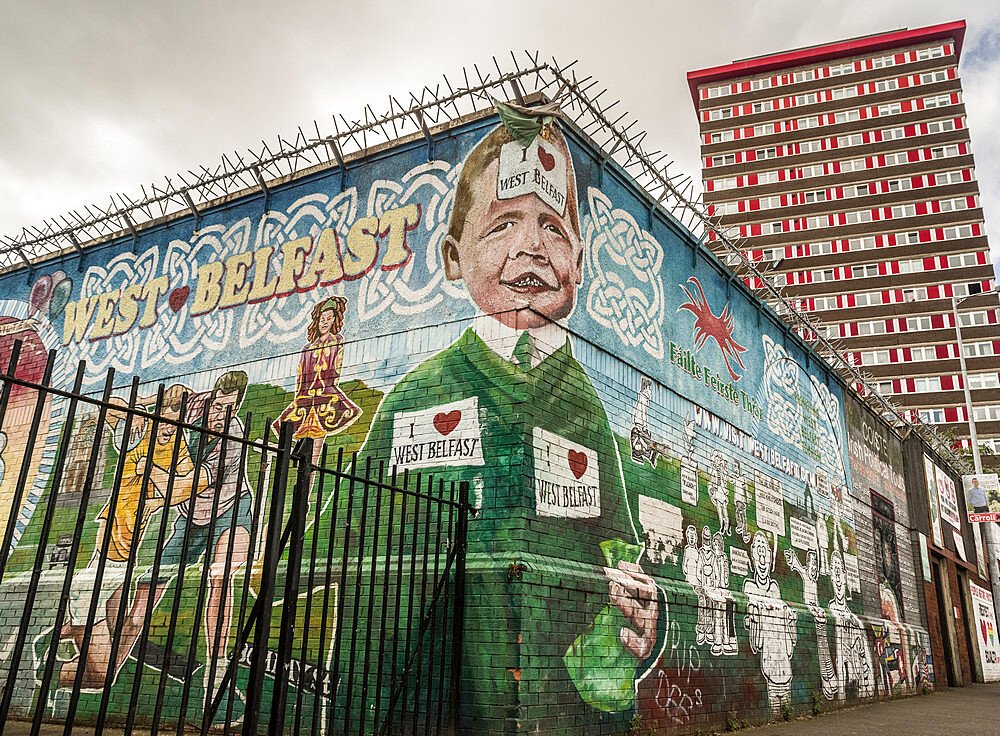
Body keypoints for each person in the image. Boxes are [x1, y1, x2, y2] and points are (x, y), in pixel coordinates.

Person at [345, 117, 663, 730]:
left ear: (577, 258)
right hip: (428, 701)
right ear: (454, 258)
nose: (531, 246)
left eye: (553, 225)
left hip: (557, 708)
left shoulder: (584, 404)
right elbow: (340, 538)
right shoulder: (420, 392)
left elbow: (621, 549)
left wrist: (642, 610)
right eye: (501, 225)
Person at [58, 384, 199, 689]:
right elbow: (109, 406)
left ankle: (73, 636)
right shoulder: (139, 428)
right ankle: (41, 676)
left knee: (109, 658)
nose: (170, 424)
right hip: (109, 554)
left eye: (180, 415)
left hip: (125, 558)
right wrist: (149, 403)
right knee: (101, 676)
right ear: (157, 413)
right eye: (167, 414)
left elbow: (189, 486)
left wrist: (156, 501)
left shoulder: (178, 444)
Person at [142, 371, 254, 707]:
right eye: (218, 405)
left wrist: (149, 471)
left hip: (229, 509)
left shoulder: (233, 438)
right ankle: (116, 634)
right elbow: (160, 403)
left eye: (229, 410)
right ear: (212, 398)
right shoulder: (194, 408)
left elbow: (189, 485)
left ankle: (216, 675)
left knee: (219, 576)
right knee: (152, 580)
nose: (221, 415)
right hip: (190, 515)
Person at [273, 296, 361, 467]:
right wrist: (299, 399)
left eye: (329, 319)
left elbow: (336, 370)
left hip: (324, 401)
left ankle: (306, 490)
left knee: (312, 458)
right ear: (317, 322)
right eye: (322, 320)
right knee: (298, 455)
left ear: (335, 321)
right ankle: (299, 489)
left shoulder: (337, 342)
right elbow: (301, 378)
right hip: (305, 403)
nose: (325, 323)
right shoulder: (307, 349)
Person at [743, 531, 796, 716]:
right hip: (768, 665)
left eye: (765, 549)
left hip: (784, 664)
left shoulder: (775, 588)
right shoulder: (749, 587)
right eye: (758, 549)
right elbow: (756, 643)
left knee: (785, 705)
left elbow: (789, 641)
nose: (762, 555)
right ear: (752, 558)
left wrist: (790, 620)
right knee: (774, 707)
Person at [785, 547, 836, 699]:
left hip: (819, 618)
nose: (813, 568)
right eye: (811, 564)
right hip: (814, 617)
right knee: (822, 647)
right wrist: (792, 558)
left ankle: (829, 676)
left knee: (824, 647)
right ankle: (827, 677)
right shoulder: (806, 576)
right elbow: (797, 566)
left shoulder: (815, 581)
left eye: (815, 565)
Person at [730, 459, 749, 543]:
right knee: (742, 515)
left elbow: (746, 487)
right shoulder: (734, 477)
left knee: (739, 513)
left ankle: (742, 528)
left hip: (741, 499)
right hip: (737, 499)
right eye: (734, 467)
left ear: (739, 468)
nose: (735, 469)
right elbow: (731, 480)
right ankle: (743, 531)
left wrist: (748, 495)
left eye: (736, 467)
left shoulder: (742, 478)